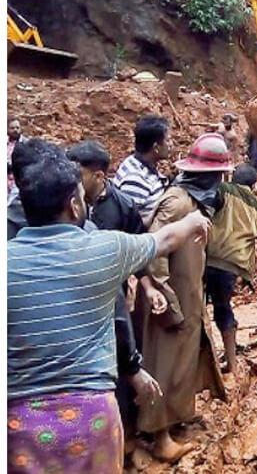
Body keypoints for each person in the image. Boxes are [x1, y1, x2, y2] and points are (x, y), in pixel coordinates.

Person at [8, 142, 210, 474]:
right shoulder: (104, 249)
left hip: (19, 424)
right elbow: (166, 240)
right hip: (91, 418)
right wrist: (194, 221)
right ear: (74, 205)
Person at [138, 133, 232, 462]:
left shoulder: (195, 202)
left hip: (189, 293)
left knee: (183, 360)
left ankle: (176, 418)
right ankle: (159, 435)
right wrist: (163, 293)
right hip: (170, 299)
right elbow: (153, 250)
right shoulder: (178, 202)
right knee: (163, 363)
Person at [66, 140, 164, 451]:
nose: (73, 183)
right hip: (72, 302)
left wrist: (148, 287)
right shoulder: (60, 204)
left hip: (115, 301)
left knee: (121, 367)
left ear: (98, 176)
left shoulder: (122, 206)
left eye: (78, 175)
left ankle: (126, 439)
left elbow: (140, 247)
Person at [205, 164, 257, 374]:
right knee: (223, 308)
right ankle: (232, 362)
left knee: (199, 310)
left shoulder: (223, 189)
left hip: (207, 258)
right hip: (232, 265)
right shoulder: (255, 204)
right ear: (254, 185)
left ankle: (204, 363)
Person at [114, 114, 171, 226]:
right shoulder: (135, 180)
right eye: (168, 140)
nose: (171, 144)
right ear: (156, 148)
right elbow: (130, 226)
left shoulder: (137, 162)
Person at [7, 116, 25, 191]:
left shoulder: (26, 144)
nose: (15, 130)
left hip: (18, 183)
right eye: (12, 128)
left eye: (17, 128)